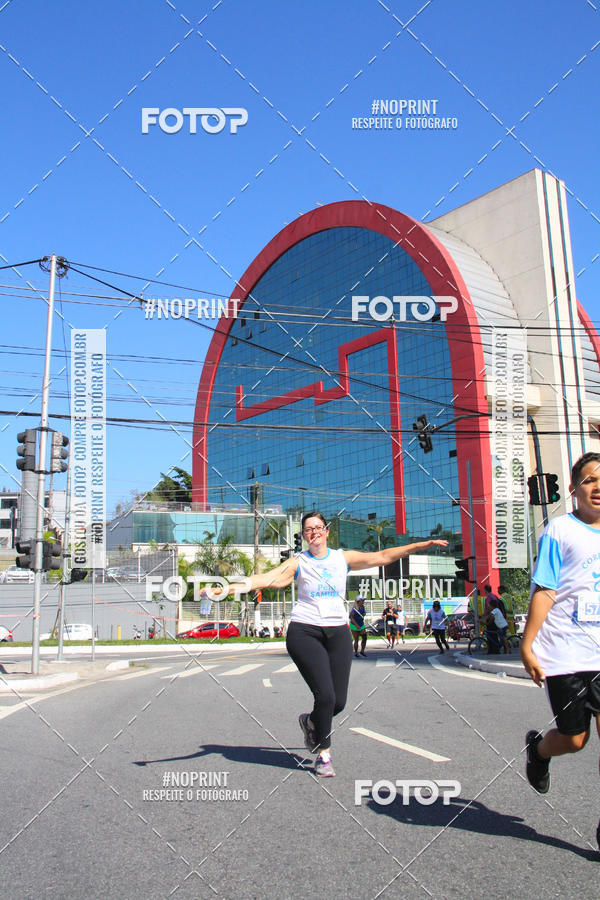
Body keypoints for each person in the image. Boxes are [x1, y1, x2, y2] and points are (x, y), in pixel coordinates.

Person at [229, 511, 448, 777]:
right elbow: (267, 579)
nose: (314, 532)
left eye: (318, 527)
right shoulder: (298, 562)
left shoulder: (341, 558)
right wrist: (228, 588)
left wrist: (420, 545)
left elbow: (382, 556)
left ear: (327, 531)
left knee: (339, 702)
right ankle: (323, 754)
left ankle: (310, 721)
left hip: (338, 632)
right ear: (304, 535)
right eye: (309, 529)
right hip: (305, 631)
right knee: (326, 695)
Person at [520, 453, 600, 850]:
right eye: (589, 480)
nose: (597, 486)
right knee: (574, 739)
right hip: (567, 651)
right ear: (573, 490)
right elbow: (546, 590)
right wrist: (527, 643)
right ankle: (538, 750)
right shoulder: (560, 530)